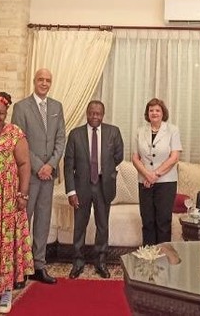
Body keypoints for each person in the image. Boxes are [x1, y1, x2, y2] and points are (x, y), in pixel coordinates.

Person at [11, 68, 66, 285]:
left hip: (49, 175)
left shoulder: (56, 106)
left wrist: (51, 165)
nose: (44, 83)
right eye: (41, 79)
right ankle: (19, 269)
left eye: (48, 80)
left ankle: (39, 265)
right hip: (28, 174)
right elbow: (18, 140)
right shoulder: (21, 107)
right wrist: (38, 166)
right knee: (24, 220)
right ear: (34, 81)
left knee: (43, 220)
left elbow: (61, 138)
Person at [0, 92, 33, 313]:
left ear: (6, 114)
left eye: (0, 113)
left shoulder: (14, 133)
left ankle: (6, 292)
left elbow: (24, 165)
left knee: (5, 244)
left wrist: (23, 195)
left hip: (8, 199)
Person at [64, 100, 124, 279]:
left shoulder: (113, 132)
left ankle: (101, 262)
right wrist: (71, 191)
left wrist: (107, 171)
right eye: (92, 113)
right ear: (87, 113)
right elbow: (68, 165)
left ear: (103, 114)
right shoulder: (75, 134)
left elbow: (118, 156)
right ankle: (78, 262)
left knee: (103, 225)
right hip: (81, 186)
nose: (95, 116)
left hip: (103, 185)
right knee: (80, 226)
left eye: (98, 113)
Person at [131, 98, 183, 246]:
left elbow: (174, 157)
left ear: (163, 113)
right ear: (147, 113)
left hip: (166, 182)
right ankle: (148, 257)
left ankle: (164, 257)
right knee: (147, 220)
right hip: (144, 182)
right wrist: (147, 174)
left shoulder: (173, 130)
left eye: (157, 110)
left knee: (163, 221)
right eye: (151, 110)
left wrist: (155, 174)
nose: (154, 113)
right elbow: (135, 158)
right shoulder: (140, 131)